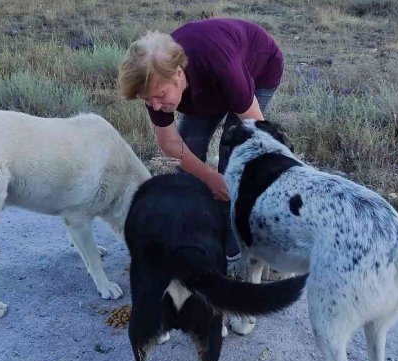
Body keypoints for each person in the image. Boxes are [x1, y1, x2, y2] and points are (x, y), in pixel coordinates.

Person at [118, 18, 284, 258]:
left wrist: (240, 176)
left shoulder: (220, 68)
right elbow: (170, 143)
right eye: (147, 100)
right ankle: (193, 231)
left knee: (233, 157)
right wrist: (208, 177)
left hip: (258, 67)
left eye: (159, 96)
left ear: (178, 74)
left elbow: (256, 128)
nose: (154, 105)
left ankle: (234, 243)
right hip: (207, 83)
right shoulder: (155, 82)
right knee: (190, 150)